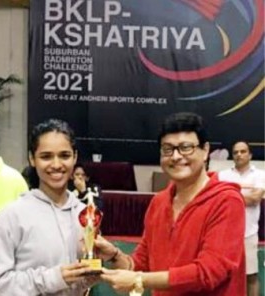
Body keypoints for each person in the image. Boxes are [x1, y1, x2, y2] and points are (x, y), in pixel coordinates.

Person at [95, 112, 246, 296]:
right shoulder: (158, 202)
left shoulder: (226, 200)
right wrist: (114, 255)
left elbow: (208, 272)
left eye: (186, 147)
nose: (175, 156)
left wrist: (139, 280)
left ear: (205, 151)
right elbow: (141, 262)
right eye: (167, 149)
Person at [0, 119, 98, 296]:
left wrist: (92, 274)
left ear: (75, 157)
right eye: (46, 156)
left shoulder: (85, 214)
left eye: (64, 155)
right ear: (32, 159)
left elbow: (83, 279)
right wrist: (53, 278)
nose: (56, 165)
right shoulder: (13, 216)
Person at [219, 141, 265, 296]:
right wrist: (245, 195)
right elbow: (218, 201)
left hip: (249, 234)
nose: (239, 155)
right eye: (235, 152)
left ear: (250, 154)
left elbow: (255, 199)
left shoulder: (260, 175)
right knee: (224, 276)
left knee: (251, 276)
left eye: (243, 151)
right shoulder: (222, 175)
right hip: (224, 236)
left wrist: (230, 196)